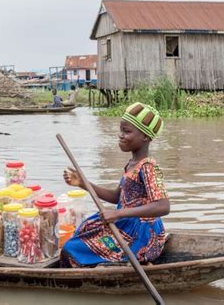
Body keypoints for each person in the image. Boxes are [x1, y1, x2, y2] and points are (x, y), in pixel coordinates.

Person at [60, 102, 170, 268]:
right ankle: (106, 263)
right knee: (83, 230)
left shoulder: (149, 167)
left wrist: (118, 213)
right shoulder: (132, 164)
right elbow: (116, 197)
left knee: (70, 250)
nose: (120, 135)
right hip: (125, 224)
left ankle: (125, 261)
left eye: (127, 132)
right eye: (121, 130)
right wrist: (83, 183)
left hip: (140, 235)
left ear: (145, 137)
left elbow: (163, 206)